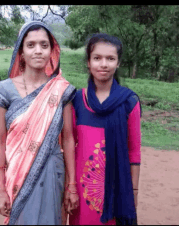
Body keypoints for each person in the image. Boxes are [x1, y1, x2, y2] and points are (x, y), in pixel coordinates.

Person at [0, 21, 79, 225]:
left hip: (52, 172)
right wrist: (0, 189)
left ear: (52, 50)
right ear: (21, 51)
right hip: (17, 175)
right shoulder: (4, 90)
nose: (38, 51)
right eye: (31, 45)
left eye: (44, 45)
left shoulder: (60, 90)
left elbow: (68, 139)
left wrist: (72, 185)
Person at [69, 33, 141, 225]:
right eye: (97, 58)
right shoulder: (77, 100)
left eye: (110, 58)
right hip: (83, 189)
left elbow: (133, 152)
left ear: (118, 63)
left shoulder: (128, 102)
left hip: (118, 189)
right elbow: (69, 145)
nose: (103, 64)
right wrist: (70, 187)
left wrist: (133, 192)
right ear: (88, 62)